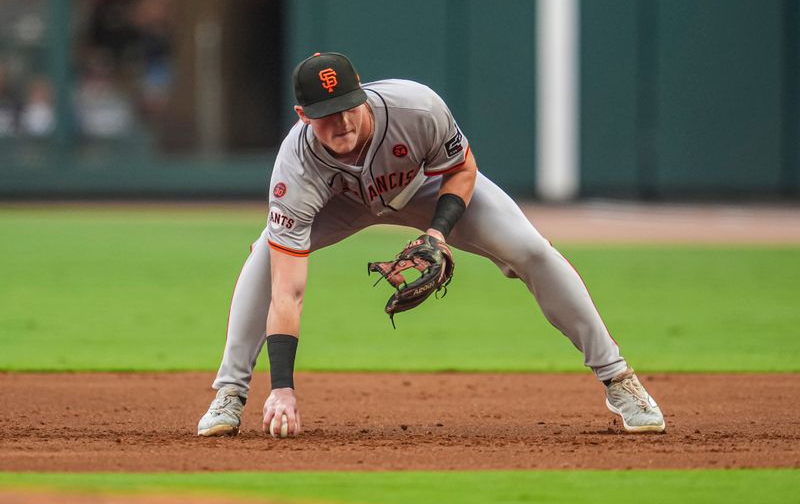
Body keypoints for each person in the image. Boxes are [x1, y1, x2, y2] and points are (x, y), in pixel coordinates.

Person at [197, 52, 666, 438]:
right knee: (265, 259)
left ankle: (619, 379)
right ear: (302, 116)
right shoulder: (295, 167)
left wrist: (438, 232)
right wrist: (283, 387)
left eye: (347, 106)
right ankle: (231, 393)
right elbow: (289, 292)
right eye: (324, 115)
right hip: (338, 204)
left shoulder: (415, 108)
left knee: (533, 251)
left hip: (424, 188)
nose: (340, 122)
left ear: (362, 94)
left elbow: (462, 170)